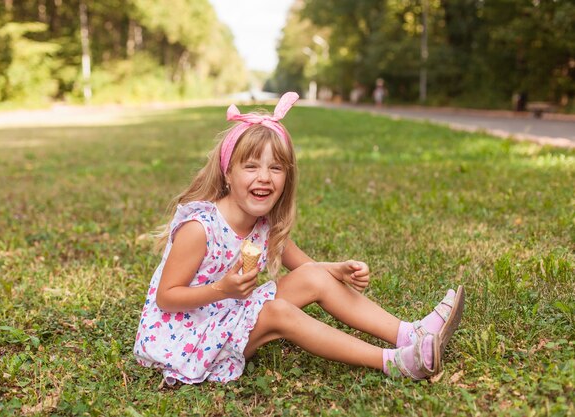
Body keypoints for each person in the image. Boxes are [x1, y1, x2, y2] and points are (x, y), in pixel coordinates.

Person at [133, 92, 465, 385]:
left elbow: (308, 272)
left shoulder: (262, 223)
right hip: (186, 337)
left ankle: (410, 333)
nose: (264, 177)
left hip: (228, 311)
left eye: (276, 168)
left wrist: (335, 270)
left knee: (311, 278)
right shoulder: (200, 228)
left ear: (286, 178)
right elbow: (167, 297)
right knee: (279, 312)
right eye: (251, 167)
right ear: (228, 174)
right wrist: (224, 289)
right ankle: (395, 362)